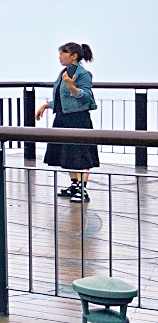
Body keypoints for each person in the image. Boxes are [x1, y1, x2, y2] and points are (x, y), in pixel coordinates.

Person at [36, 43, 98, 203]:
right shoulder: (63, 72)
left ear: (74, 56)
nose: (60, 57)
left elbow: (86, 96)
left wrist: (72, 87)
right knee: (67, 153)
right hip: (63, 117)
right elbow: (61, 96)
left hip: (78, 118)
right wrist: (47, 105)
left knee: (81, 154)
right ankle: (74, 185)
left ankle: (83, 189)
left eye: (63, 53)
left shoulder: (83, 74)